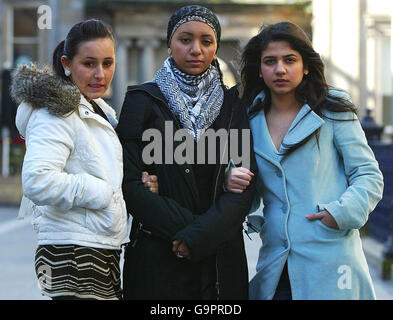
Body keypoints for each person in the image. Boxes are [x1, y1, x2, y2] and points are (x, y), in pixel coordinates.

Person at [225, 21, 384, 300]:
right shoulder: (246, 117)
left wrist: (340, 213)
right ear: (260, 69)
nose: (280, 69)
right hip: (275, 261)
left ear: (306, 65)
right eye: (270, 61)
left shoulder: (333, 108)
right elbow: (249, 192)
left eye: (290, 60)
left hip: (332, 261)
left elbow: (368, 175)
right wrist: (231, 178)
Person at [116, 5, 257, 300]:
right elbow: (129, 184)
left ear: (216, 46)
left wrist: (200, 236)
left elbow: (244, 187)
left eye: (206, 41)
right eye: (185, 40)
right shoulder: (140, 101)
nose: (196, 49)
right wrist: (194, 233)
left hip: (220, 265)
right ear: (169, 44)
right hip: (159, 256)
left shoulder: (233, 106)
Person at [11, 19, 133, 300]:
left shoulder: (96, 109)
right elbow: (37, 181)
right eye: (89, 64)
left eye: (107, 63)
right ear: (67, 63)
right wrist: (101, 192)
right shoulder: (57, 113)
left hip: (96, 246)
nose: (100, 74)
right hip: (73, 251)